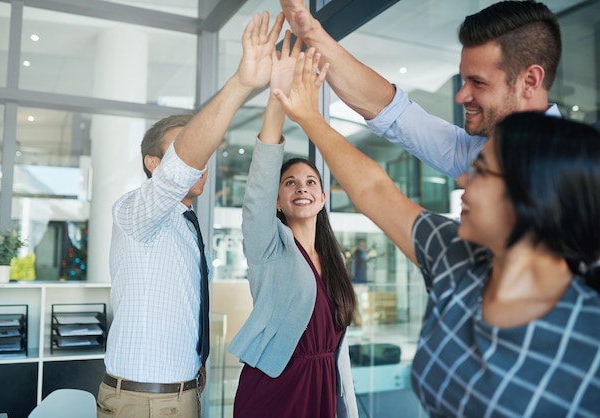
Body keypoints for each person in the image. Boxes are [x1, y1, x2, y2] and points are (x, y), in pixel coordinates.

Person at [274, 48, 600, 417]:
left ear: (530, 198)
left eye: (482, 172)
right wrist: (308, 117)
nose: (462, 180)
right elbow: (374, 190)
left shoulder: (588, 338)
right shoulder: (457, 256)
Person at [97, 11, 284, 418]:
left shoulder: (186, 225)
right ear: (152, 163)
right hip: (143, 402)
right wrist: (241, 84)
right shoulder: (134, 211)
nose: (202, 162)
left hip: (182, 394)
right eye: (186, 150)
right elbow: (175, 174)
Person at [280, 0, 562, 178]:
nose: (461, 96)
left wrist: (310, 118)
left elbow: (376, 193)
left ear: (530, 81)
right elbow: (391, 111)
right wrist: (312, 34)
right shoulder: (475, 149)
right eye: (463, 80)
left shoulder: (570, 176)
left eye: (478, 82)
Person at [228, 32, 357, 418]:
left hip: (322, 388)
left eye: (311, 183)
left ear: (321, 199)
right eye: (290, 183)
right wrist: (277, 99)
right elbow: (259, 183)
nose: (302, 188)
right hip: (276, 388)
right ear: (278, 202)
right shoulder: (269, 246)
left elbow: (339, 349)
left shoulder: (333, 261)